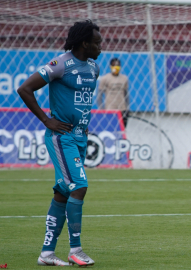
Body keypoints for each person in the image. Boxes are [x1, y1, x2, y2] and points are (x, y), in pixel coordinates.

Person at [17, 20, 102, 266]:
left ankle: (46, 253)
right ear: (84, 43)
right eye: (96, 43)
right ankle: (75, 249)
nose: (101, 47)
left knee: (62, 193)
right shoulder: (60, 64)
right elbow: (24, 89)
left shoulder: (94, 68)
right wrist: (46, 120)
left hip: (80, 137)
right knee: (79, 185)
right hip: (61, 137)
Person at [96, 57, 130, 127]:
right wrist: (101, 108)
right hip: (110, 109)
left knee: (122, 129)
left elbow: (126, 94)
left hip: (122, 109)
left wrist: (127, 108)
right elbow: (99, 95)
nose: (116, 67)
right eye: (114, 65)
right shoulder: (105, 79)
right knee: (111, 128)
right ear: (110, 66)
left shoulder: (124, 78)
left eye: (118, 65)